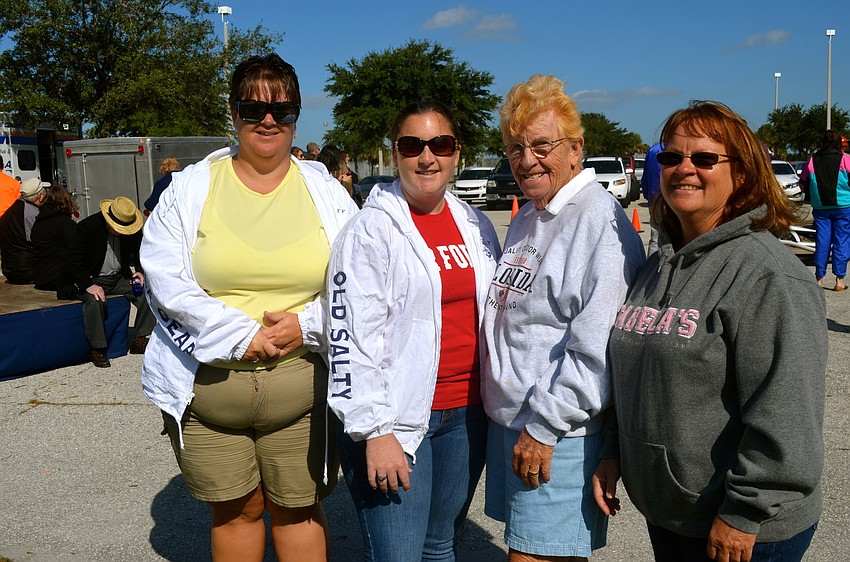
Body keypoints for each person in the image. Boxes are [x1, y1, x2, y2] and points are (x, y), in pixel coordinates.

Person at [140, 53, 358, 562]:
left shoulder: (327, 192)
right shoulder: (190, 189)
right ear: (233, 114)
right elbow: (163, 277)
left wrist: (303, 325)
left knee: (297, 510)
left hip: (301, 390)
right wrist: (241, 335)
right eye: (252, 107)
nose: (267, 121)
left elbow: (359, 285)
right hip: (208, 393)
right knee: (235, 512)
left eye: (282, 111)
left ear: (296, 118)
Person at [601, 100, 827, 562]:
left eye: (704, 158)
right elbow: (634, 377)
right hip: (672, 513)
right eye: (671, 157)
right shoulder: (656, 266)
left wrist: (745, 512)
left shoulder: (767, 276)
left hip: (744, 531)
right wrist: (613, 452)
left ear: (741, 175)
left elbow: (786, 411)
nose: (684, 169)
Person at [327, 100, 501, 561]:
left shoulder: (475, 224)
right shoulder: (369, 231)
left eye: (440, 144)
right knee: (399, 555)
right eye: (413, 145)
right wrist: (375, 431)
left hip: (466, 414)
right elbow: (349, 339)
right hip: (398, 420)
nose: (428, 157)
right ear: (395, 153)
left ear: (456, 152)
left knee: (440, 545)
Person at [482, 74, 645, 561]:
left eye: (541, 145)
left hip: (556, 434)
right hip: (514, 423)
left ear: (575, 149)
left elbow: (596, 347)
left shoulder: (599, 222)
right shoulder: (532, 214)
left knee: (532, 557)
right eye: (515, 147)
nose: (526, 159)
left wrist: (544, 428)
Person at [68, 196, 155, 368]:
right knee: (94, 301)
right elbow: (73, 260)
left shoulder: (131, 228)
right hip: (93, 278)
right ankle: (98, 347)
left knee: (147, 292)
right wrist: (87, 285)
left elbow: (140, 251)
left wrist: (139, 271)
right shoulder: (88, 227)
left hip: (118, 277)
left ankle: (140, 337)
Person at [799, 129, 850, 291]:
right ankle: (839, 280)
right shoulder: (845, 159)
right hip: (843, 206)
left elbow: (803, 183)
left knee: (822, 241)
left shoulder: (812, 160)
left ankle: (819, 278)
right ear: (838, 144)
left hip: (821, 207)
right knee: (841, 240)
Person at [31, 185, 79, 297]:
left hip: (39, 277)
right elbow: (77, 251)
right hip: (58, 278)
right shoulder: (66, 224)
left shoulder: (38, 223)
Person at [0, 177, 49, 284]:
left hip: (9, 270)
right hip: (26, 271)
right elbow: (39, 241)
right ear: (40, 196)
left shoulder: (13, 209)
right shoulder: (33, 213)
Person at [642, 142, 663, 255]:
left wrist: (648, 197)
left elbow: (645, 176)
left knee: (655, 237)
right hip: (667, 197)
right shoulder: (671, 148)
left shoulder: (652, 150)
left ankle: (652, 266)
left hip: (653, 198)